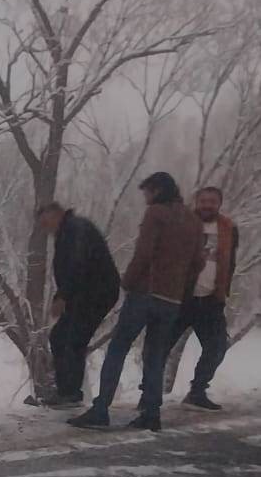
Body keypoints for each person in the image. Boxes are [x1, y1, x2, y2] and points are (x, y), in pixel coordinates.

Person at [68, 172, 205, 432]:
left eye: (147, 193)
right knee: (154, 356)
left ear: (156, 191)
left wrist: (128, 282)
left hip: (146, 292)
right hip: (172, 299)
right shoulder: (193, 220)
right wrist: (182, 289)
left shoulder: (156, 213)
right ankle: (151, 414)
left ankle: (100, 410)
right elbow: (198, 262)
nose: (145, 199)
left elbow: (144, 252)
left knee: (118, 349)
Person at [34, 203, 120, 409]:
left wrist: (63, 297)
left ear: (56, 214)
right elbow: (69, 270)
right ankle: (66, 391)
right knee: (59, 336)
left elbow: (77, 263)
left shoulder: (75, 229)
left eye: (46, 222)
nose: (46, 229)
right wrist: (61, 295)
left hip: (97, 293)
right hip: (83, 293)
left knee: (73, 339)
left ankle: (70, 394)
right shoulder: (67, 231)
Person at [165, 186, 239, 411]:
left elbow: (230, 261)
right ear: (196, 202)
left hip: (210, 299)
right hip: (181, 297)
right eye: (203, 200)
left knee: (217, 346)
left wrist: (222, 291)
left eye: (212, 201)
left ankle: (197, 391)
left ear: (219, 203)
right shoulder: (182, 222)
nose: (207, 205)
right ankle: (147, 393)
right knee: (159, 345)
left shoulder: (228, 227)